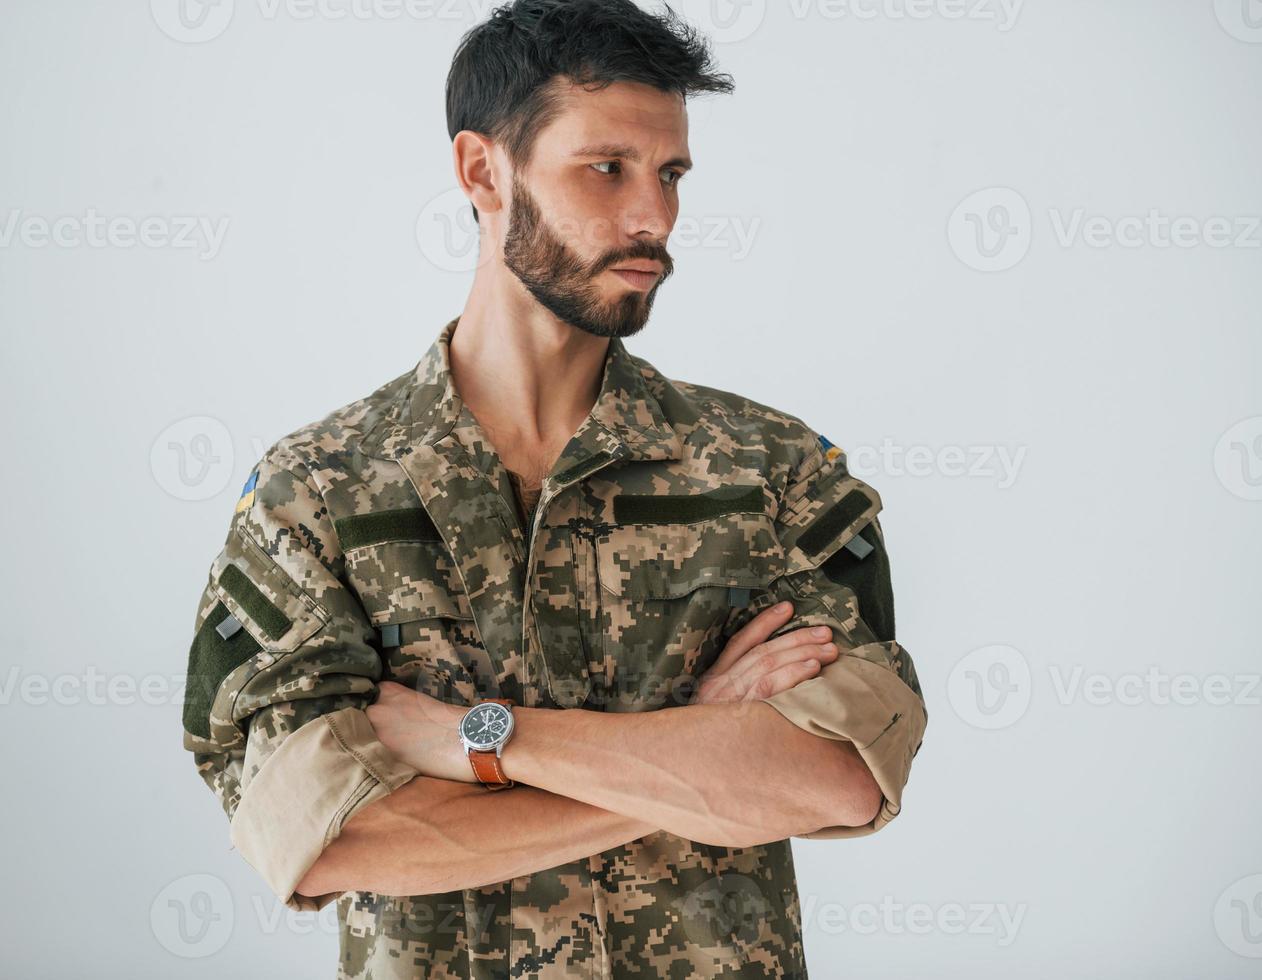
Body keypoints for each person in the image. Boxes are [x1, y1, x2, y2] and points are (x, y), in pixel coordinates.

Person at [181, 1, 926, 975]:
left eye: (670, 175)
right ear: (482, 171)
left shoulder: (774, 473)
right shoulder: (316, 492)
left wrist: (480, 739)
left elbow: (839, 778)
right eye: (606, 168)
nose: (653, 216)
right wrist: (698, 749)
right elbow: (328, 838)